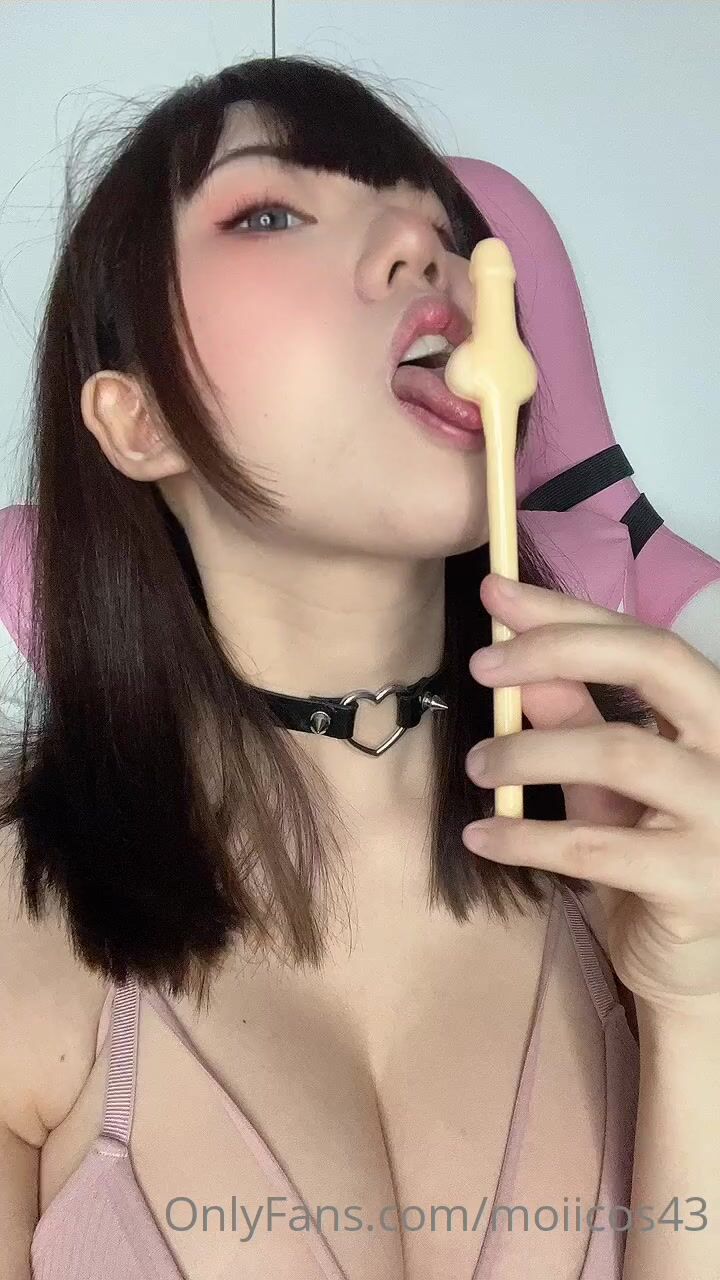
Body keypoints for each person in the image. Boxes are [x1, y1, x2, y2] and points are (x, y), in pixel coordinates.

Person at [0, 55, 703, 1280]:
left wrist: (698, 1006)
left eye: (446, 230)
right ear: (138, 419)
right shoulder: (17, 934)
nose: (426, 250)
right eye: (270, 212)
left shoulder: (665, 849)